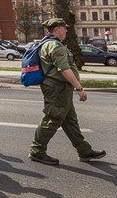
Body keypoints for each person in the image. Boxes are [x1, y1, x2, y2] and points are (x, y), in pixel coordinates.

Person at [29, 18, 106, 166]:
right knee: (51, 119)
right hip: (57, 88)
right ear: (57, 29)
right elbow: (64, 69)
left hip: (61, 89)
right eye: (64, 28)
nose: (66, 30)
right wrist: (79, 89)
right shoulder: (55, 46)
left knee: (70, 121)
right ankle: (37, 151)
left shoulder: (48, 43)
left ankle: (84, 150)